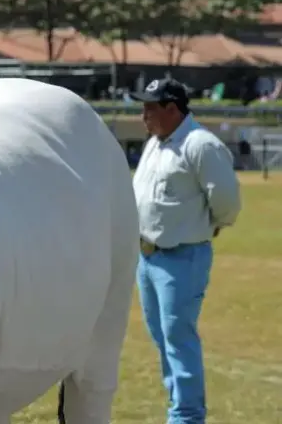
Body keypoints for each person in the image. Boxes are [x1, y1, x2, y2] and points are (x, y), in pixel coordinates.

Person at [131, 78, 241, 424]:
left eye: (150, 107)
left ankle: (188, 416)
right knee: (163, 338)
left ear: (172, 109)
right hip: (146, 258)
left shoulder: (200, 145)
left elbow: (227, 203)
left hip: (181, 257)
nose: (143, 115)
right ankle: (180, 406)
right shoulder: (156, 143)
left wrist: (209, 226)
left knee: (179, 338)